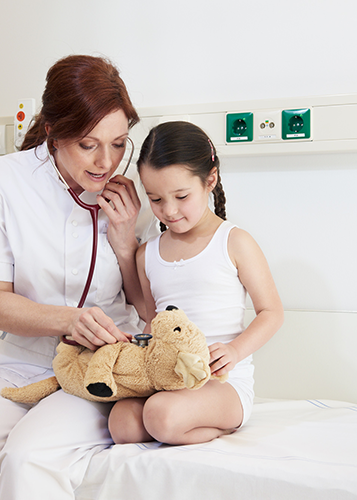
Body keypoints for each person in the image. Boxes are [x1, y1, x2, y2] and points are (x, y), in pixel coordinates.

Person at [0, 54, 156, 500]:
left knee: (27, 459)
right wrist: (69, 320)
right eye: (88, 145)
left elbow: (150, 311)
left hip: (101, 367)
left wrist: (125, 242)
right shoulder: (2, 181)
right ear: (53, 132)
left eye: (119, 144)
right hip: (18, 361)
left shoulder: (137, 194)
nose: (106, 162)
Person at [108, 121, 284, 445]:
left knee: (160, 414)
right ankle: (175, 424)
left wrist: (234, 351)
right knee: (121, 424)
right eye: (155, 199)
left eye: (181, 196)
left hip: (222, 383)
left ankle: (221, 427)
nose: (169, 210)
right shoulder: (147, 254)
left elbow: (272, 312)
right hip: (169, 379)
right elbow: (151, 317)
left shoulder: (234, 242)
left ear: (210, 180)